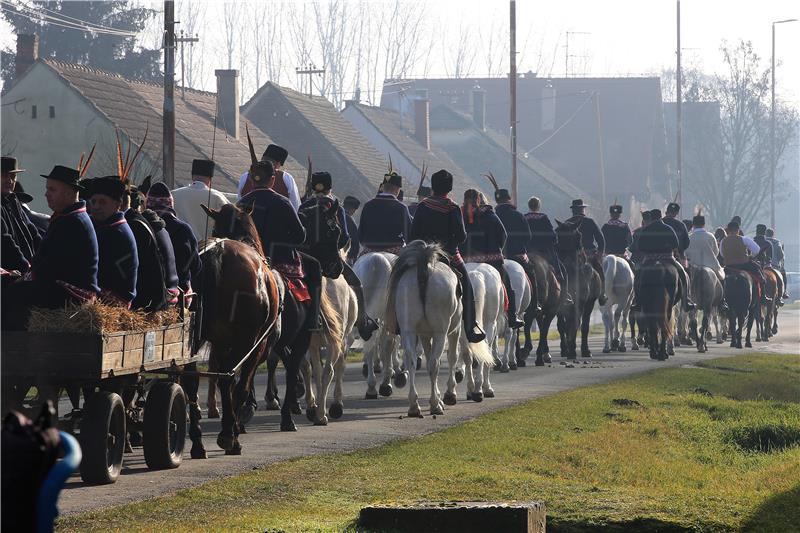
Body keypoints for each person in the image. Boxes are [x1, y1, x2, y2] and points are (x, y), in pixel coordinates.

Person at [2, 166, 99, 330]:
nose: (46, 194)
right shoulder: (70, 216)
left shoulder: (72, 222)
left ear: (69, 193)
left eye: (52, 190)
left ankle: (13, 347)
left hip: (70, 293)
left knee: (9, 294)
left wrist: (20, 278)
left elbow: (49, 268)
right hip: (64, 286)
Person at [239, 158, 321, 331]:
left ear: (253, 179)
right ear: (272, 180)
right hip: (280, 259)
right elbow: (300, 236)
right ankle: (313, 320)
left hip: (248, 260)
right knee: (314, 265)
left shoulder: (241, 204)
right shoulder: (283, 202)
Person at [300, 171, 379, 340]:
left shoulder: (303, 206)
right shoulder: (336, 207)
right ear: (330, 188)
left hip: (304, 261)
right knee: (357, 283)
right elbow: (343, 237)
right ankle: (363, 321)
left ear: (313, 187)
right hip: (328, 262)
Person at [409, 169, 485, 343]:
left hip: (422, 255)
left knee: (398, 278)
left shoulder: (422, 206)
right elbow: (461, 237)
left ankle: (397, 319)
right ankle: (471, 326)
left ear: (433, 187)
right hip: (448, 256)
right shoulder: (452, 207)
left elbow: (413, 234)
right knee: (467, 285)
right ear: (449, 189)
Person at [462, 190, 524, 327]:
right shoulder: (490, 215)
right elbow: (503, 235)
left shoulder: (461, 214)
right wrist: (498, 249)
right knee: (507, 285)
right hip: (492, 259)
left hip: (466, 259)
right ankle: (512, 317)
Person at [145, 182, 202, 303]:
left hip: (145, 295)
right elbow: (196, 266)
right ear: (170, 204)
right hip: (178, 296)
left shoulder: (139, 226)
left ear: (147, 205)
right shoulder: (184, 229)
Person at [86, 176, 138, 307]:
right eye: (93, 201)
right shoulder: (107, 226)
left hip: (116, 300)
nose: (96, 206)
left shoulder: (115, 232)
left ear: (117, 205)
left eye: (103, 202)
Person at [632, 209, 695, 311]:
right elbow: (676, 244)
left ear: (651, 218)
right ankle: (686, 300)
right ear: (661, 216)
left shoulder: (646, 230)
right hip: (668, 258)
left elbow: (640, 246)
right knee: (682, 274)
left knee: (638, 276)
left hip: (649, 259)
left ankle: (638, 302)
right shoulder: (668, 228)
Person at [124, 185, 170, 312]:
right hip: (169, 290)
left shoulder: (136, 225)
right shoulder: (173, 228)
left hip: (150, 300)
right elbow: (195, 266)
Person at [524, 196, 571, 301]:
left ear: (529, 206)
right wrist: (554, 241)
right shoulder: (543, 218)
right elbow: (552, 236)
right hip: (544, 252)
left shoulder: (524, 217)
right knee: (561, 270)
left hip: (527, 252)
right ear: (539, 206)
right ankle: (565, 295)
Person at [172, 159, 229, 241]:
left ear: (192, 176)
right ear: (210, 179)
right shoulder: (218, 196)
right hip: (209, 247)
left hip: (182, 245)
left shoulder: (173, 194)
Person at [1, 157, 41, 273]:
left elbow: (31, 230)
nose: (10, 180)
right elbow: (4, 241)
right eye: (4, 175)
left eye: (13, 176)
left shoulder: (13, 200)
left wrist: (46, 257)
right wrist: (26, 268)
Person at [358, 172, 413, 255]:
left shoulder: (368, 205)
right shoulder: (401, 207)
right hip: (394, 250)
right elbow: (408, 235)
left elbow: (360, 234)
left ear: (383, 187)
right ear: (397, 190)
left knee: (356, 265)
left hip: (369, 249)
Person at [565, 199, 607, 304]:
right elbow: (600, 238)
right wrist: (600, 252)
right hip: (589, 255)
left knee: (563, 273)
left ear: (573, 210)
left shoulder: (567, 223)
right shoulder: (590, 221)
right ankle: (602, 295)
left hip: (572, 256)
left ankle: (564, 293)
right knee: (600, 271)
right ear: (583, 209)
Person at [685, 212, 729, 311]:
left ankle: (685, 299)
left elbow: (686, 253)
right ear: (704, 224)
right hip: (710, 265)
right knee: (722, 277)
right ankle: (723, 301)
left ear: (694, 225)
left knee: (685, 281)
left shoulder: (689, 237)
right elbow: (716, 252)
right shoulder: (710, 236)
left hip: (692, 266)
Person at [238, 144, 301, 211]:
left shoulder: (245, 176)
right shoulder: (286, 178)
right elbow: (296, 206)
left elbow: (240, 200)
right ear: (279, 164)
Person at [720, 220, 770, 304]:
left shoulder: (723, 241)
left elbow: (722, 254)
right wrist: (750, 256)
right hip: (744, 265)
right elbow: (757, 250)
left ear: (728, 230)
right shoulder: (744, 239)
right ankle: (763, 297)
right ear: (738, 230)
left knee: (720, 279)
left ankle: (721, 302)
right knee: (760, 276)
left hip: (729, 266)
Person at [141, 209, 180, 306]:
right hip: (175, 289)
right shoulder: (165, 231)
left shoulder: (145, 233)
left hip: (163, 295)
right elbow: (196, 266)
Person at [661, 202, 696, 309]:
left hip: (656, 256)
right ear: (676, 213)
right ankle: (686, 299)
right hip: (677, 257)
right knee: (686, 274)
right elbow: (686, 243)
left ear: (667, 211)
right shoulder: (681, 225)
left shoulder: (659, 223)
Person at [765, 228, 788, 299]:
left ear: (766, 234)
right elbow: (781, 255)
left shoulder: (763, 241)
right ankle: (784, 292)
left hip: (763, 265)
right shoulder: (777, 243)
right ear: (773, 234)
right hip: (775, 266)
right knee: (783, 274)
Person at [342, 195, 361, 264]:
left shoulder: (334, 214)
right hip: (344, 255)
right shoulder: (350, 221)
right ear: (353, 209)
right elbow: (355, 242)